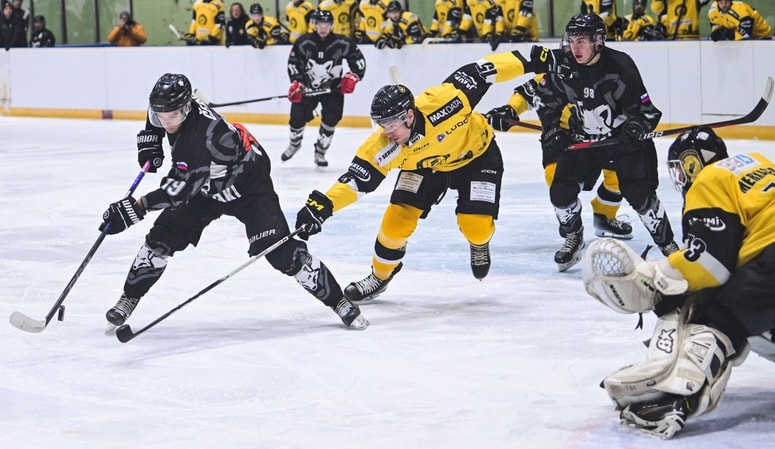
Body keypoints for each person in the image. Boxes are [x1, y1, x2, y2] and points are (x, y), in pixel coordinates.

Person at [292, 45, 576, 301]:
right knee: (395, 225)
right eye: (382, 125)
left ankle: (479, 244)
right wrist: (323, 206)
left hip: (477, 156)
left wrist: (533, 61)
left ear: (410, 115)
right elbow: (355, 182)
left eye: (392, 124)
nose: (387, 132)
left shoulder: (446, 100)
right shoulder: (384, 145)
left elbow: (486, 68)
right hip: (427, 167)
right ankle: (380, 277)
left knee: (475, 227)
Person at [99, 73, 368, 333]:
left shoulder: (202, 137)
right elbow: (154, 119)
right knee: (159, 240)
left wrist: (137, 207)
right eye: (162, 116)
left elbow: (177, 192)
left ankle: (338, 301)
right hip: (205, 190)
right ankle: (128, 298)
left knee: (280, 252)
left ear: (188, 106)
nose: (167, 122)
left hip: (248, 190)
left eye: (173, 116)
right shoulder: (165, 110)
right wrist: (150, 140)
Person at [583, 127, 775, 439]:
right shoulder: (757, 163)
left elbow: (709, 265)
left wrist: (661, 280)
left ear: (690, 164)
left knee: (712, 315)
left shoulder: (710, 180)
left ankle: (672, 397)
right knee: (753, 319)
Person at [534, 14, 678, 271]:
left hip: (623, 142)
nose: (575, 47)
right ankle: (574, 237)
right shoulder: (565, 64)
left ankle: (668, 245)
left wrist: (635, 126)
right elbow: (545, 100)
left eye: (581, 41)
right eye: (572, 40)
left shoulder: (620, 65)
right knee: (560, 192)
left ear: (598, 41)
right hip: (585, 140)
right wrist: (552, 130)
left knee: (640, 196)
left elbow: (648, 112)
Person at [485, 76, 634, 242]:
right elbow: (526, 93)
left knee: (621, 175)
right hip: (561, 137)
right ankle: (571, 225)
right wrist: (510, 109)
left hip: (602, 136)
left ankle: (604, 216)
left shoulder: (605, 71)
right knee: (556, 177)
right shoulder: (554, 73)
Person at [281, 9, 366, 167]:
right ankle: (294, 144)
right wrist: (297, 82)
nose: (323, 27)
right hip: (307, 88)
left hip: (333, 90)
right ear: (314, 25)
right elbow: (293, 64)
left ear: (332, 26)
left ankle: (320, 151)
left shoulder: (341, 43)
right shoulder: (304, 42)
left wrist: (354, 76)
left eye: (326, 24)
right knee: (297, 118)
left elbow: (358, 61)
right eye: (320, 24)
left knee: (331, 119)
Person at [708, 0, 772, 41]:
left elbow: (745, 34)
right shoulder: (713, 11)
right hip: (745, 35)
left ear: (731, 1)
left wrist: (726, 34)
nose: (724, 5)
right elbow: (715, 25)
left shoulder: (740, 10)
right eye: (721, 2)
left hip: (762, 36)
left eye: (726, 2)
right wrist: (716, 33)